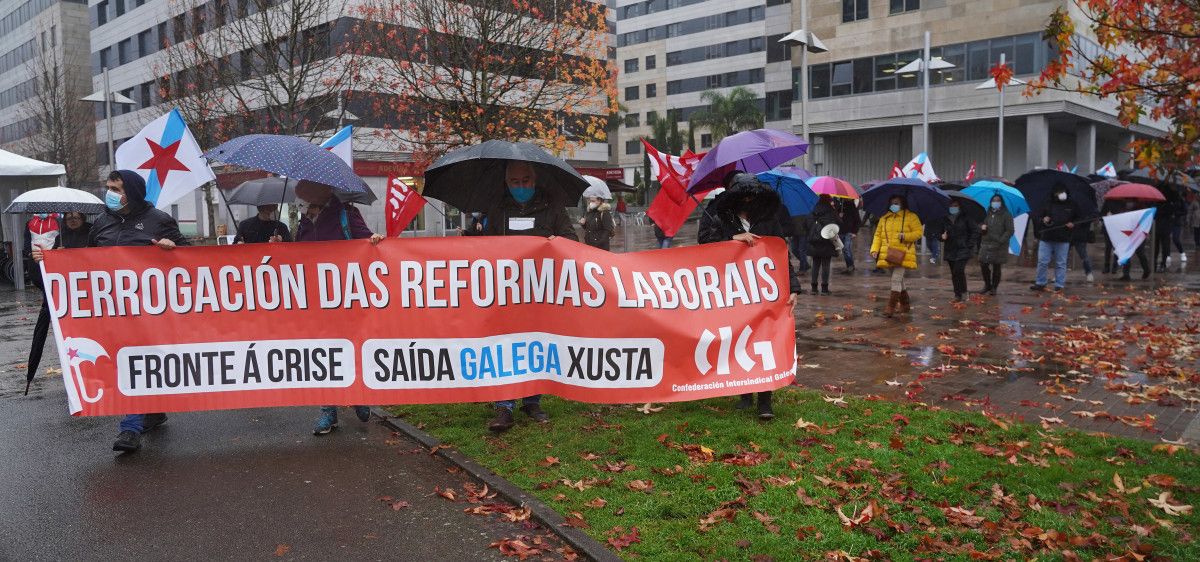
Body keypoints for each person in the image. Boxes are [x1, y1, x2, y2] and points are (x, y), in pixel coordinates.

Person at [33, 171, 189, 453]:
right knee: (122, 361)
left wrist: (173, 248)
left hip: (148, 309)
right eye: (108, 187)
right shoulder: (102, 222)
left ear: (133, 191)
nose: (110, 192)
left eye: (116, 187)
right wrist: (50, 259)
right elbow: (87, 262)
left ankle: (130, 429)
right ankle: (151, 411)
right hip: (109, 308)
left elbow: (192, 260)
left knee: (135, 360)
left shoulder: (159, 220)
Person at [483, 160, 578, 432]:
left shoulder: (553, 208)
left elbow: (571, 241)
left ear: (534, 180)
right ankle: (504, 406)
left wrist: (552, 244)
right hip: (507, 291)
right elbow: (483, 247)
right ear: (507, 183)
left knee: (536, 345)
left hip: (540, 291)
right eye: (515, 182)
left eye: (526, 181)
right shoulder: (498, 209)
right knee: (506, 345)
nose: (521, 186)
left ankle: (532, 400)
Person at [697, 173, 801, 420]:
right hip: (733, 292)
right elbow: (704, 244)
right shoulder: (718, 215)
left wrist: (793, 287)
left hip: (765, 293)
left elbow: (780, 253)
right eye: (742, 196)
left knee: (764, 341)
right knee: (739, 342)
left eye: (751, 196)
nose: (747, 200)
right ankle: (745, 393)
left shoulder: (768, 217)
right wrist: (732, 238)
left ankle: (765, 401)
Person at [294, 181, 386, 435]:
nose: (304, 205)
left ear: (322, 195)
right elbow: (298, 254)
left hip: (347, 296)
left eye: (307, 199)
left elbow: (366, 241)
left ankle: (357, 395)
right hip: (317, 300)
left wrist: (373, 240)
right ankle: (328, 410)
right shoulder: (304, 222)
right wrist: (281, 247)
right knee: (324, 353)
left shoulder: (347, 214)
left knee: (351, 347)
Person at [870, 195, 923, 317]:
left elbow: (919, 232)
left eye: (897, 203)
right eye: (892, 203)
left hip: (904, 254)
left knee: (895, 279)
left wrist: (905, 236)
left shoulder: (911, 217)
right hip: (888, 254)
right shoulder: (884, 218)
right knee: (899, 280)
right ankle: (905, 304)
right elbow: (878, 235)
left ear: (902, 203)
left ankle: (890, 308)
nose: (894, 205)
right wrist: (874, 249)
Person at [1030, 184, 1081, 292]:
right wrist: (1043, 220)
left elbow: (1079, 218)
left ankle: (1059, 284)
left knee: (1061, 263)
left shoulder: (1072, 204)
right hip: (1046, 238)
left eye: (1063, 191)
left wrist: (1073, 224)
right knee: (1042, 261)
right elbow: (1038, 217)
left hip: (1063, 238)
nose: (1062, 194)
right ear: (1054, 193)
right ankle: (1040, 283)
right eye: (1059, 192)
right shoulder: (1047, 203)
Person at [940, 200, 980, 302]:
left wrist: (969, 244)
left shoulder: (966, 217)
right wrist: (942, 236)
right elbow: (939, 232)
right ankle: (957, 294)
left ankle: (964, 292)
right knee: (954, 273)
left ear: (959, 207)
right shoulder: (944, 218)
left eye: (955, 205)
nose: (953, 207)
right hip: (950, 249)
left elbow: (975, 231)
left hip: (963, 249)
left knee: (959, 270)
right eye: (951, 206)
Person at [977, 195, 1014, 295]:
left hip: (999, 245)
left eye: (998, 200)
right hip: (986, 243)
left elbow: (1010, 230)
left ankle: (994, 287)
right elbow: (979, 224)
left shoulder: (1006, 215)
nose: (995, 202)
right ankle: (987, 285)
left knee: (996, 266)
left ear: (1001, 202)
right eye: (993, 200)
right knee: (983, 264)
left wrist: (1001, 240)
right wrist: (981, 227)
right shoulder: (986, 213)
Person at [807, 194, 839, 295]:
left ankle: (814, 288)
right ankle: (824, 289)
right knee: (826, 264)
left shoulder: (813, 210)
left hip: (814, 242)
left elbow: (806, 224)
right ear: (829, 200)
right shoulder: (831, 211)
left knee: (815, 264)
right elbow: (838, 224)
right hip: (827, 242)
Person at [1117, 200, 1152, 281]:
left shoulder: (1142, 206)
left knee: (1140, 252)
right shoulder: (1123, 204)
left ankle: (1146, 269)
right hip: (1128, 231)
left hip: (1139, 232)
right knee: (1127, 252)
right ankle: (1126, 274)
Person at [837, 198, 861, 274]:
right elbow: (835, 218)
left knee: (846, 249)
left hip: (849, 232)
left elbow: (858, 221)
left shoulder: (852, 207)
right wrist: (839, 215)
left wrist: (854, 232)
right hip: (840, 231)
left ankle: (850, 266)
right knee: (845, 250)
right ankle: (850, 265)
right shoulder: (839, 206)